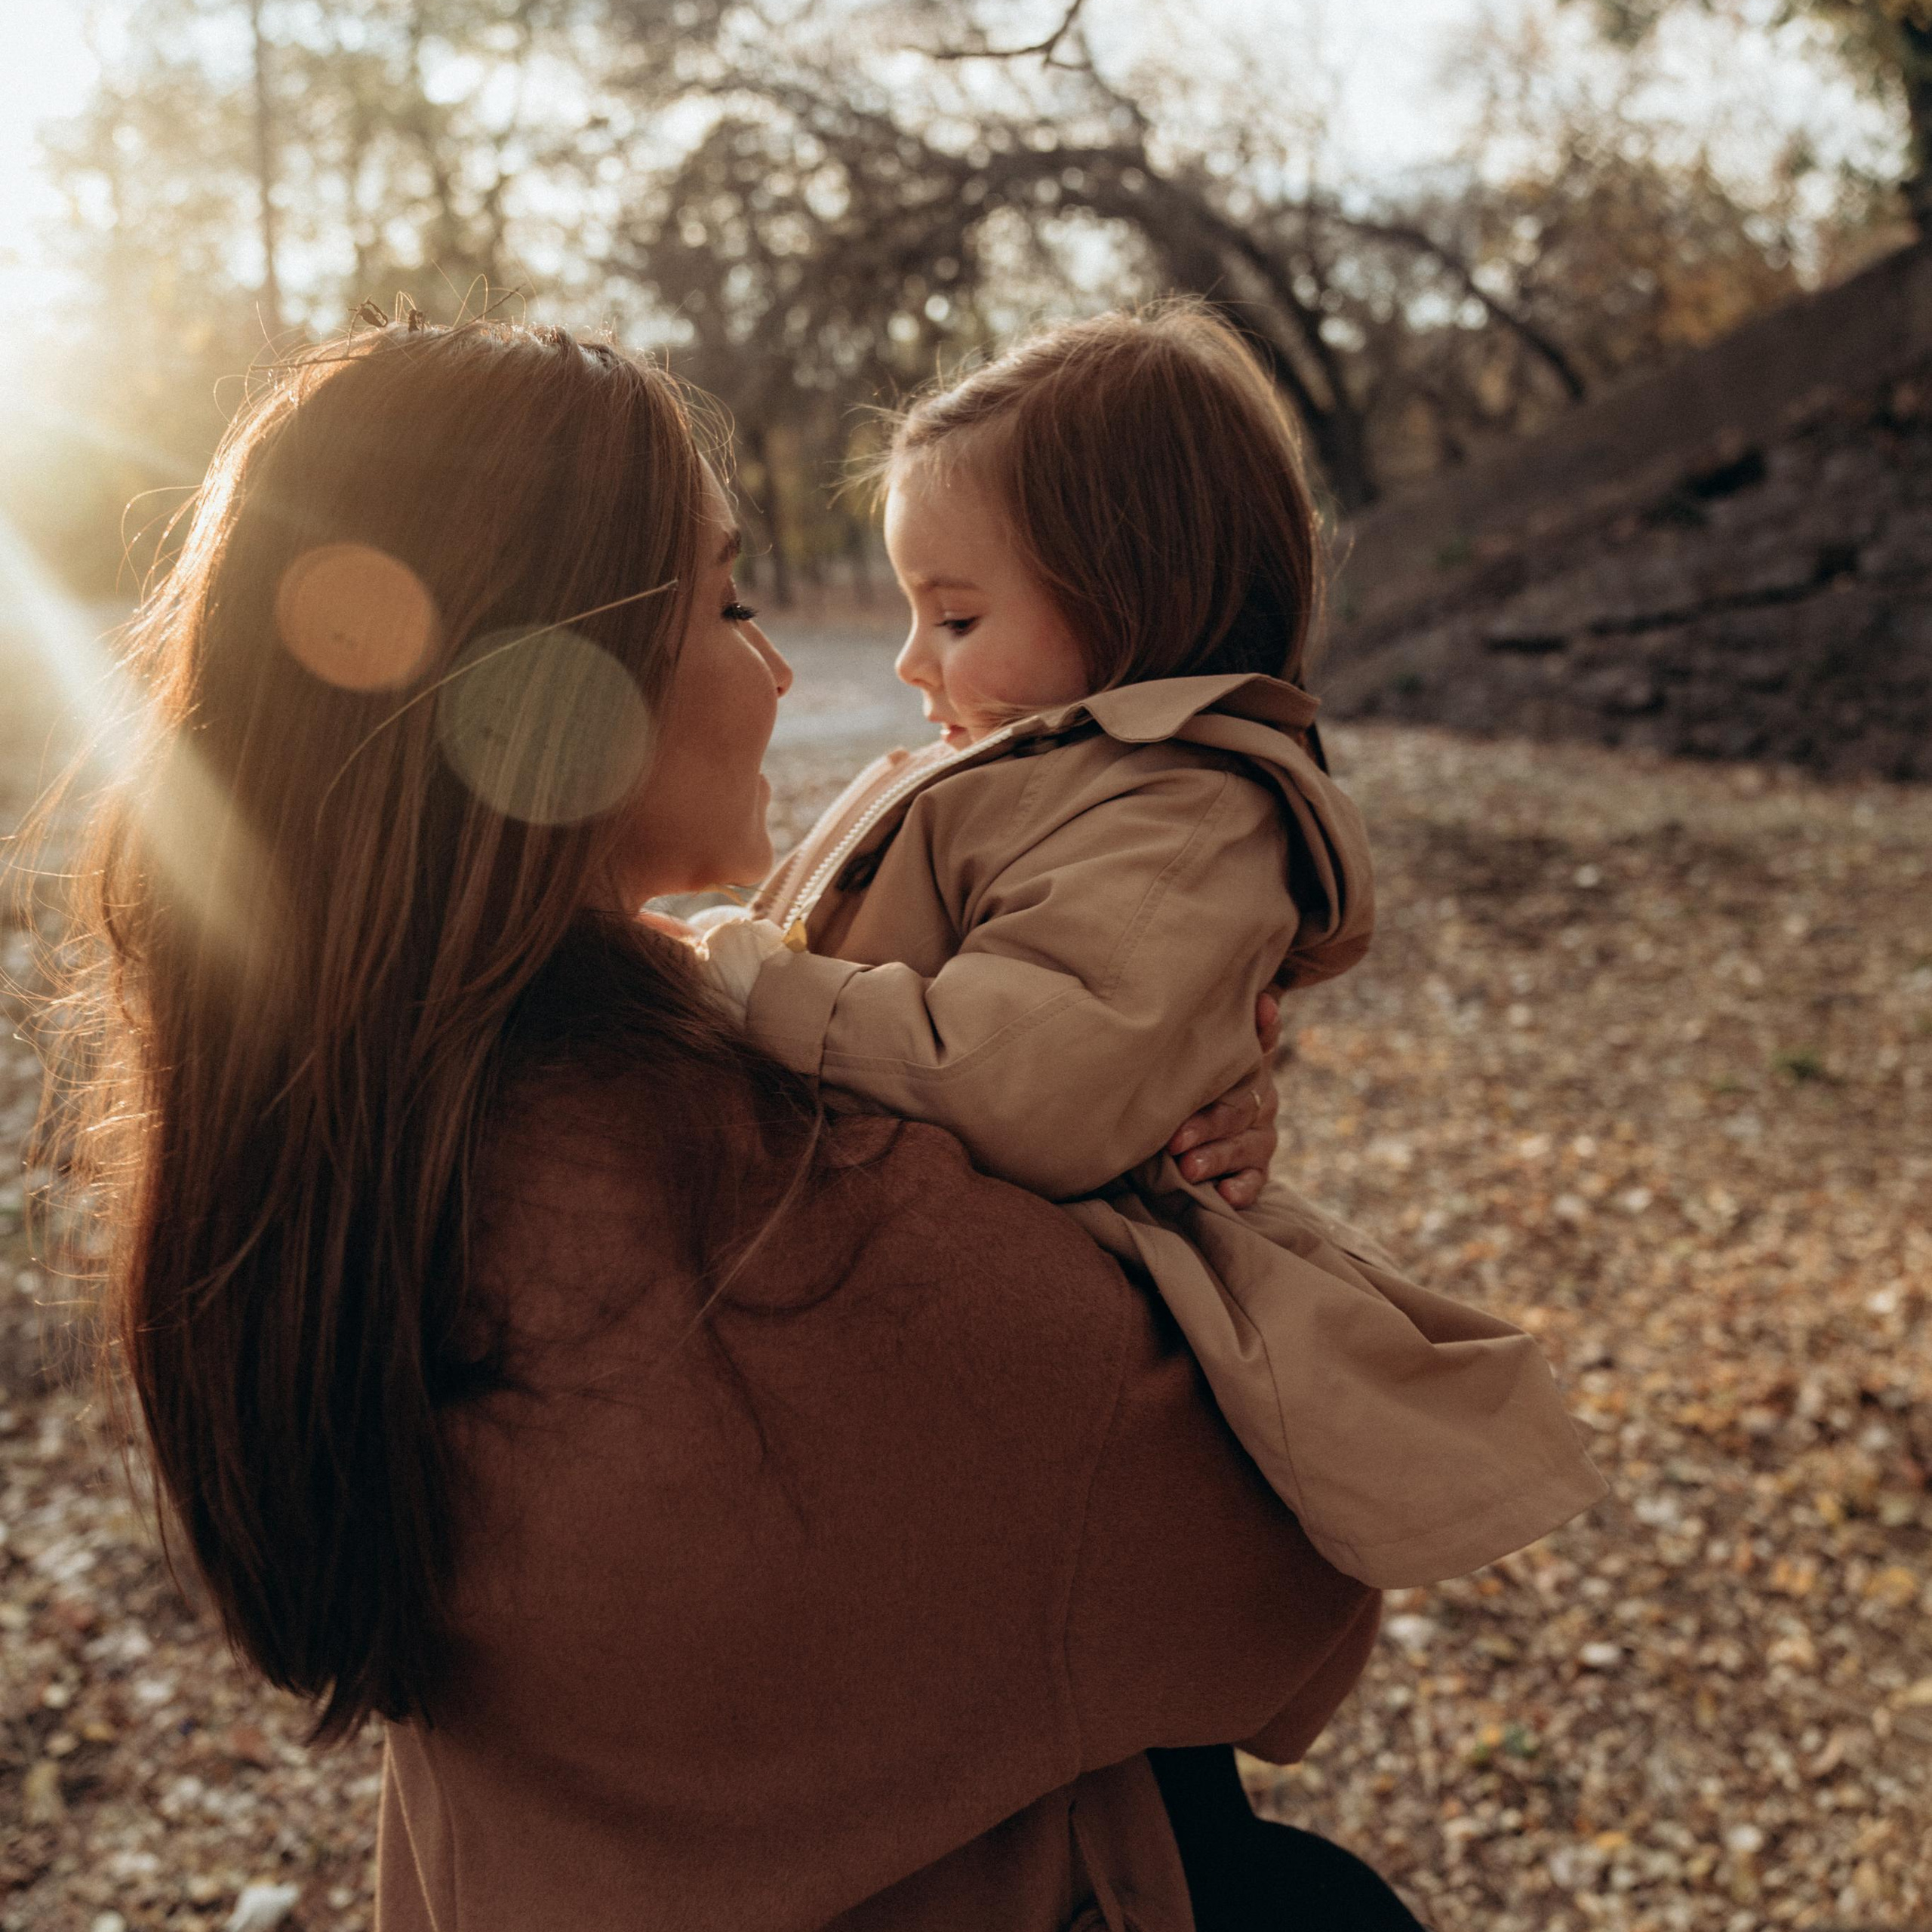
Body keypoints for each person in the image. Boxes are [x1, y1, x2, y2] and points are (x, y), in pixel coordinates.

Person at [32, 313, 1423, 1928]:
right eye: (731, 598)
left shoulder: (339, 1129)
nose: (784, 669)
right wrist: (1189, 1179)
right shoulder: (773, 1213)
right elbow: (1283, 1579)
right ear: (546, 686)